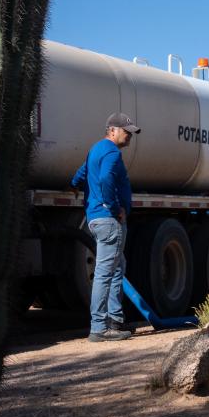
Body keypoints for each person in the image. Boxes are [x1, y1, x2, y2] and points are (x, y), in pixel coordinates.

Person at [71, 111, 140, 342]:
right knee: (104, 273)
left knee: (116, 268)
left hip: (96, 218)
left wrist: (74, 184)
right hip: (109, 219)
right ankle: (99, 328)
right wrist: (113, 207)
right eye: (126, 132)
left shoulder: (96, 149)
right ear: (112, 130)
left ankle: (115, 321)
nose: (129, 136)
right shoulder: (111, 152)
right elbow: (106, 179)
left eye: (131, 133)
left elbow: (82, 174)